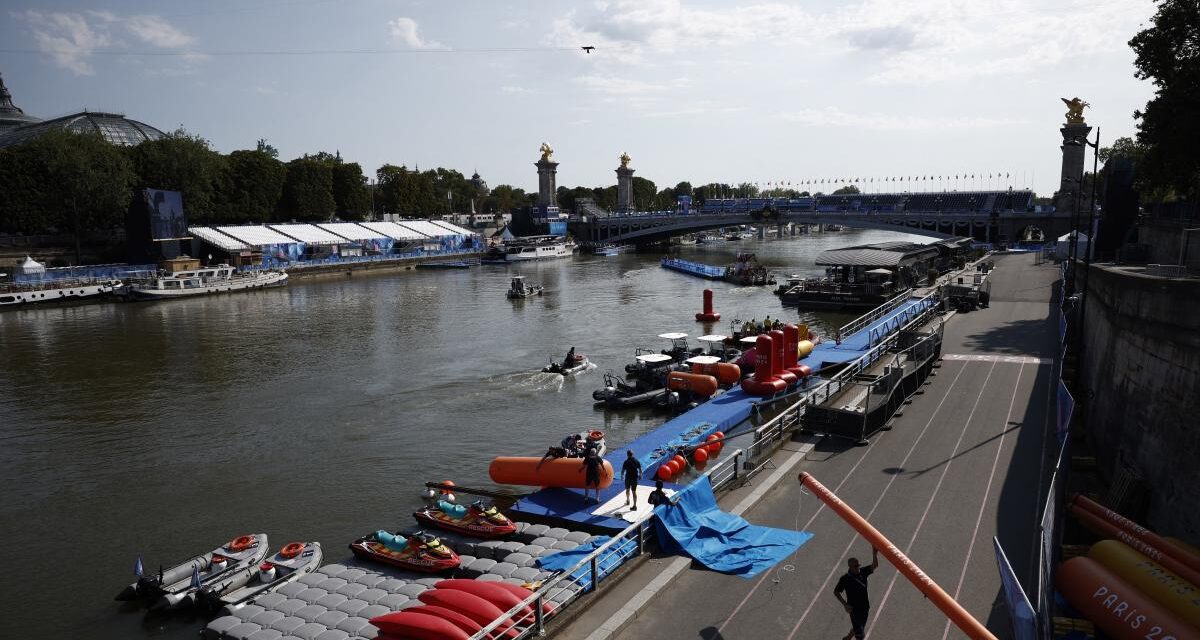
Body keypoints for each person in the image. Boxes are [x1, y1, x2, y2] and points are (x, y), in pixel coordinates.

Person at [833, 547, 880, 640]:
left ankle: (848, 638)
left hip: (865, 607)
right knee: (860, 635)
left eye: (858, 565)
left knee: (859, 627)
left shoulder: (863, 572)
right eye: (855, 566)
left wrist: (874, 553)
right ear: (850, 567)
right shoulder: (845, 579)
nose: (858, 567)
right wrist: (845, 604)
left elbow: (875, 565)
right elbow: (836, 592)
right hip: (854, 610)